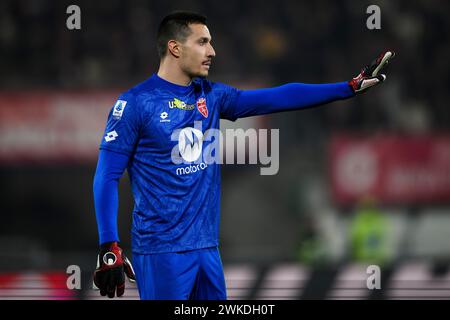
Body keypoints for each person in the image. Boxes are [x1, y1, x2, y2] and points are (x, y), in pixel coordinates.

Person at [92, 11, 395, 299]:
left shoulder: (211, 95)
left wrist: (348, 87)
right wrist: (109, 243)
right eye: (202, 42)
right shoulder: (135, 104)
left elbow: (278, 96)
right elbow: (107, 175)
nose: (212, 51)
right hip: (162, 252)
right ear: (174, 48)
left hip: (208, 250)